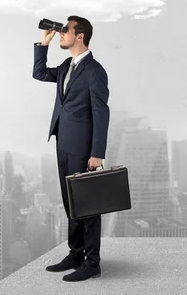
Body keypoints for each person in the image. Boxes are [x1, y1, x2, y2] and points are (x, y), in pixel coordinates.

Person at [32, 15, 110, 282]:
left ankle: (93, 262)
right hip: (63, 143)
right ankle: (75, 253)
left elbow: (101, 113)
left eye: (65, 30)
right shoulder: (67, 66)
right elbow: (39, 73)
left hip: (83, 148)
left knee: (87, 204)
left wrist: (97, 152)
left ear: (80, 36)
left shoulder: (95, 71)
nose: (61, 34)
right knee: (71, 203)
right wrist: (43, 44)